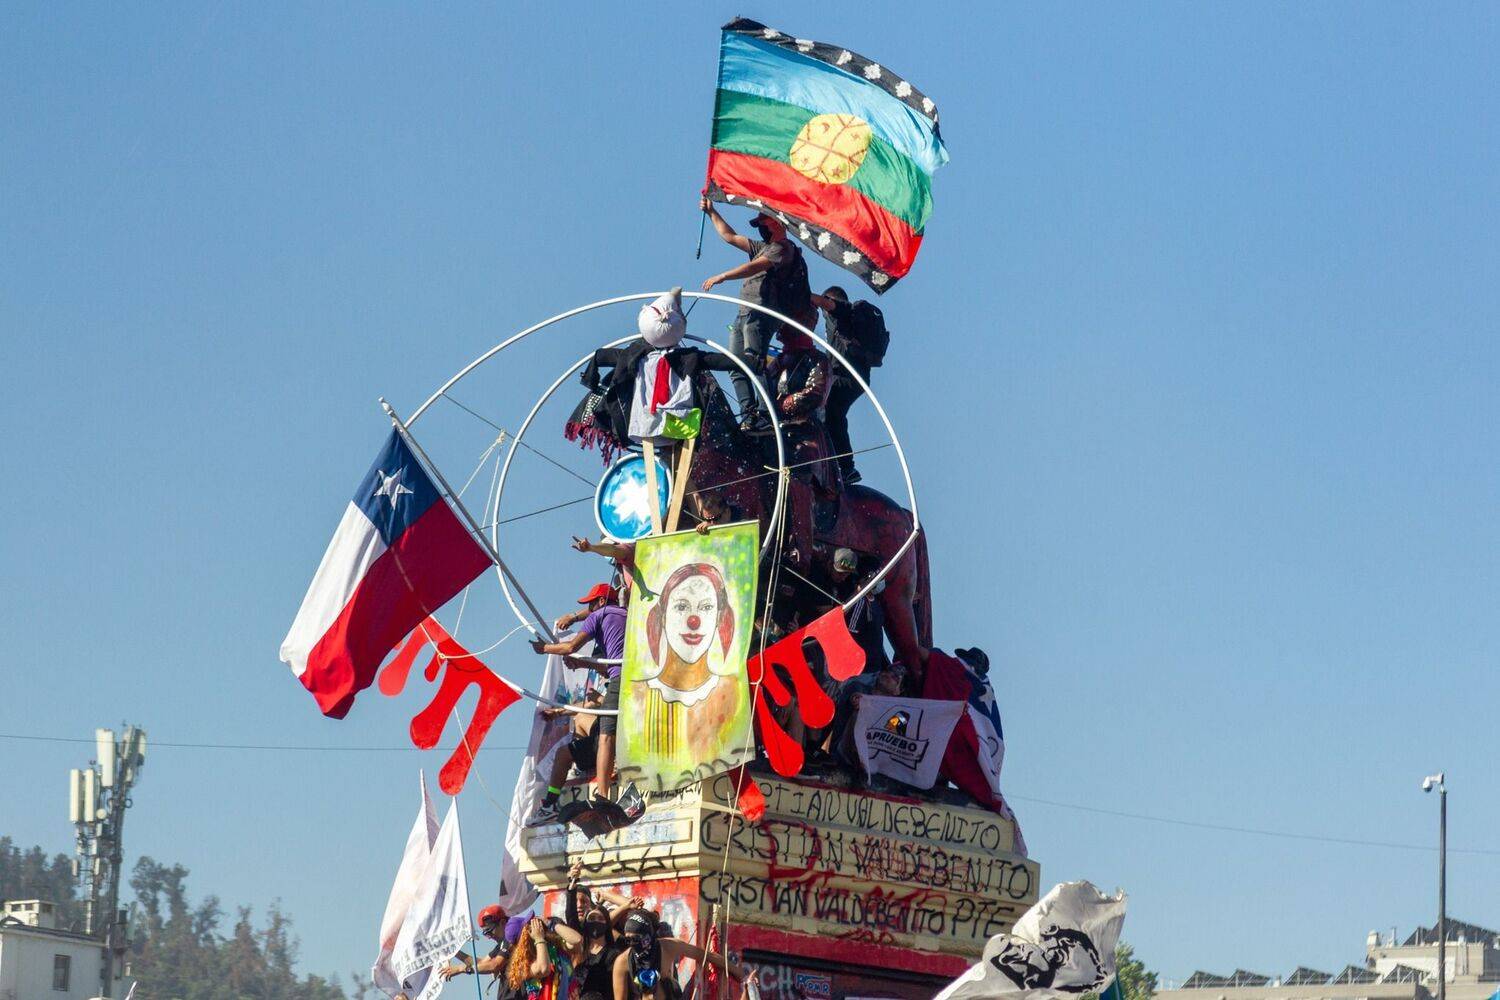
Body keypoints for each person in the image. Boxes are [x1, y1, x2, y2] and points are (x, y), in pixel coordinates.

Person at [699, 197, 810, 432]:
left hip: (761, 313)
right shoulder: (764, 248)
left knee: (754, 362)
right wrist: (712, 213)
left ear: (777, 223)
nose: (762, 227)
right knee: (735, 363)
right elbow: (730, 237)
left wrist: (724, 276)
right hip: (744, 313)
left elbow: (756, 267)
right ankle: (749, 415)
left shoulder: (783, 249)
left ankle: (766, 413)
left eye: (764, 222)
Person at [532, 582, 626, 804]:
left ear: (601, 602)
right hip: (634, 678)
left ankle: (602, 796)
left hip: (620, 679)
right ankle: (557, 795)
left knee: (605, 735)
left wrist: (544, 649)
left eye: (591, 604)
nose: (590, 610)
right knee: (583, 728)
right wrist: (582, 664)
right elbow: (607, 664)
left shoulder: (599, 615)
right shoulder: (627, 614)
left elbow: (570, 647)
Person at [808, 287, 889, 485]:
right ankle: (841, 465)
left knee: (830, 412)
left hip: (848, 377)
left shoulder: (843, 311)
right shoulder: (839, 323)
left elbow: (827, 303)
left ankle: (843, 466)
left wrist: (801, 293)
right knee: (832, 414)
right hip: (848, 377)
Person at [766, 324, 837, 494]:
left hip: (804, 430)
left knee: (802, 463)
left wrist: (780, 405)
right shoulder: (776, 363)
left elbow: (815, 393)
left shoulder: (816, 359)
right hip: (774, 429)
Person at [612, 910, 746, 1000]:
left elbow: (705, 955)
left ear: (648, 936)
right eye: (628, 940)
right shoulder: (622, 962)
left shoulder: (667, 947)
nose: (632, 944)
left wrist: (735, 970)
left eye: (636, 938)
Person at [526, 687, 605, 826]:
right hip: (601, 730)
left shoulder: (622, 679)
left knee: (563, 754)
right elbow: (588, 706)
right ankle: (581, 765)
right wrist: (558, 712)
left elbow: (620, 707)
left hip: (609, 738)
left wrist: (600, 699)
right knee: (580, 717)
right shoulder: (614, 679)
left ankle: (550, 805)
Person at [505, 914, 582, 1000]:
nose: (535, 926)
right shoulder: (523, 965)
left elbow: (577, 940)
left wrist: (551, 924)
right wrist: (539, 938)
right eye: (530, 925)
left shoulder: (554, 947)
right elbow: (544, 969)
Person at [439, 903, 513, 984]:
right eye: (486, 934)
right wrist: (454, 952)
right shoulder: (501, 945)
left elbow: (494, 965)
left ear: (502, 923)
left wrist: (461, 969)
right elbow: (481, 964)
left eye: (490, 931)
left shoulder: (511, 938)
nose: (489, 937)